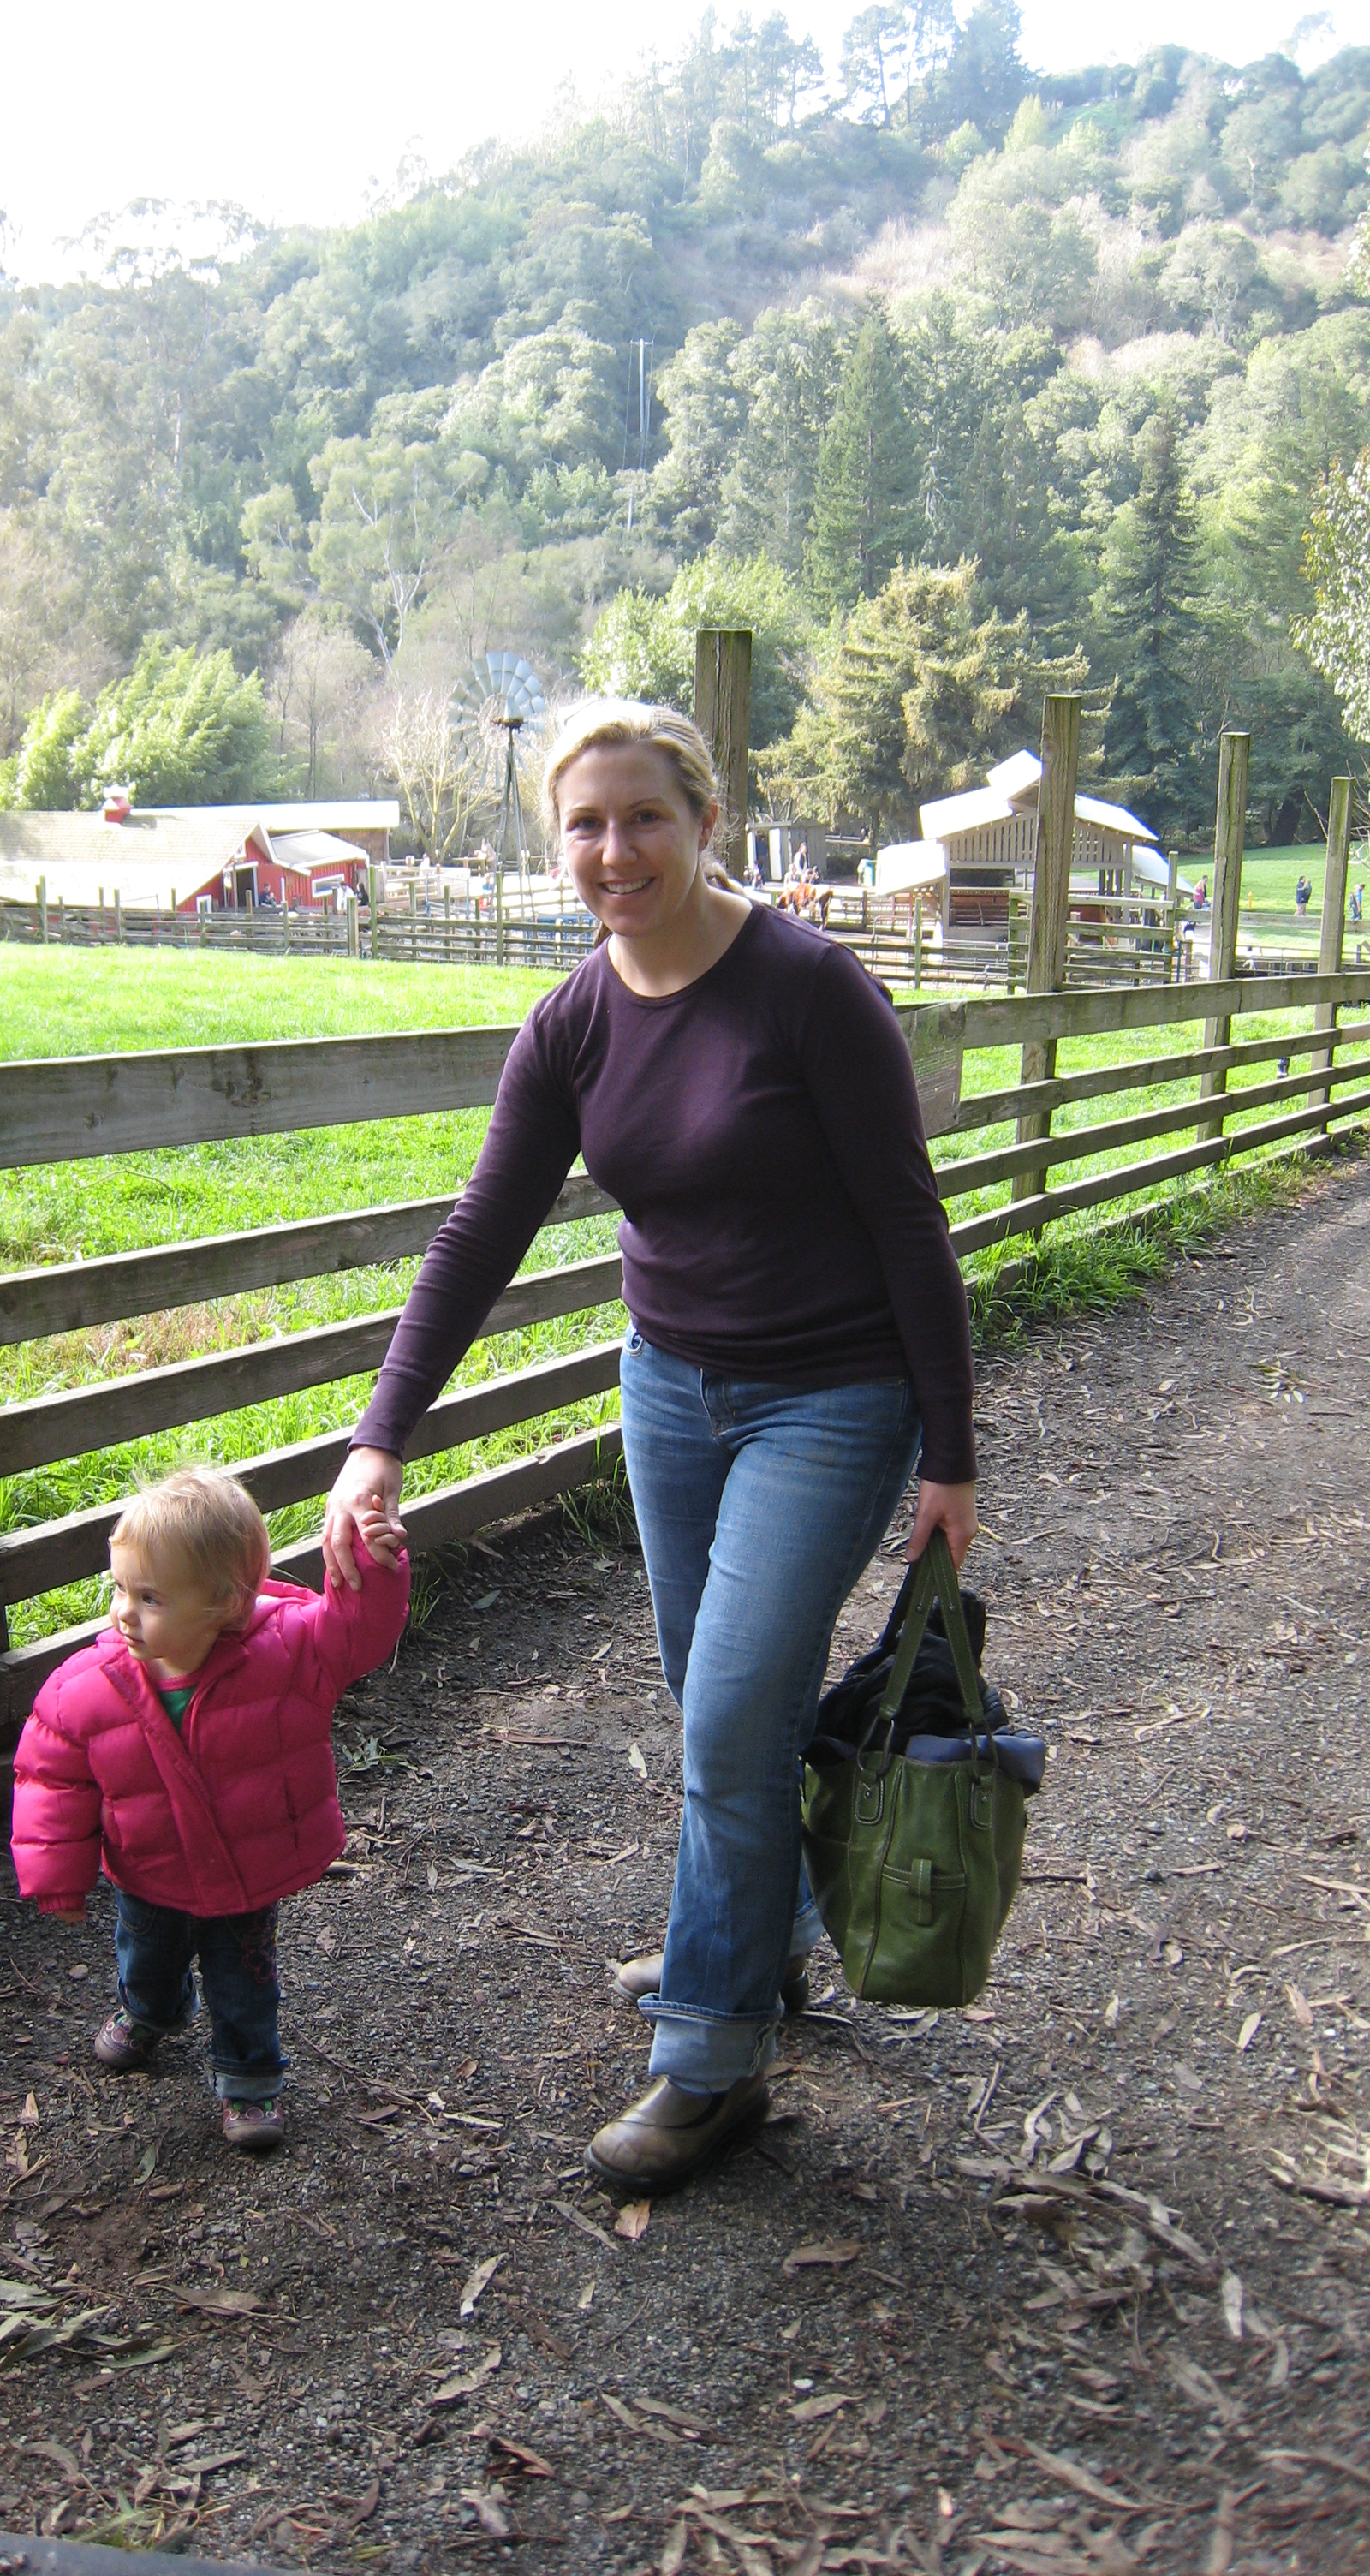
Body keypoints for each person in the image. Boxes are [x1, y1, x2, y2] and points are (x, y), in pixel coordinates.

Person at [321, 697, 977, 2194]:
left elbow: (905, 1220)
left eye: (643, 819)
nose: (613, 851)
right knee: (713, 1698)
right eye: (584, 825)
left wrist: (950, 1453)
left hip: (831, 1397)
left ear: (703, 823)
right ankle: (762, 1937)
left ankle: (710, 2065)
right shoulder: (573, 1019)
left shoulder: (809, 990)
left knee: (731, 1717)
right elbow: (479, 1231)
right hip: (670, 1387)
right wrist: (379, 1439)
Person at [11, 1466, 408, 2151]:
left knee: (244, 1981)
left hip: (244, 1874)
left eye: (150, 1597)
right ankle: (149, 2013)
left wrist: (374, 1566)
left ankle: (249, 2079)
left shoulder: (288, 1651)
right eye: (120, 1589)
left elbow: (358, 1633)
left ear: (225, 1602)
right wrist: (59, 1879)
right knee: (147, 1957)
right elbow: (51, 1782)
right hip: (147, 1871)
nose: (124, 1612)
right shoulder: (85, 1689)